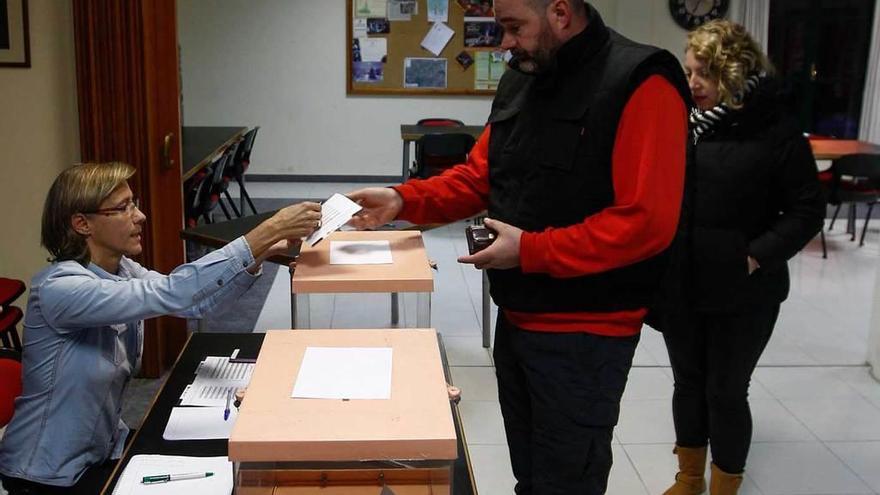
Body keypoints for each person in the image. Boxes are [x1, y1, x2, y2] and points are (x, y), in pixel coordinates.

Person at [348, 1, 691, 492]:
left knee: (565, 482)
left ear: (560, 12)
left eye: (513, 28)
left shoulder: (640, 81)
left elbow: (646, 223)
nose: (504, 42)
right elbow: (480, 178)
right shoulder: (527, 76)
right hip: (519, 318)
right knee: (531, 478)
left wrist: (531, 250)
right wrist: (403, 199)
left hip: (586, 335)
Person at [0, 162, 322, 494]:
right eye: (123, 208)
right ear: (82, 223)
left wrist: (261, 253)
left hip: (101, 451)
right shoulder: (60, 289)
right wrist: (267, 230)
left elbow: (191, 302)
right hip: (45, 476)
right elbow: (173, 291)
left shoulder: (121, 269)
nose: (139, 216)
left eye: (134, 203)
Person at [659, 20, 824, 495]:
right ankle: (689, 478)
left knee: (725, 392)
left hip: (745, 289)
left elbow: (807, 209)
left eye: (705, 73)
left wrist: (752, 257)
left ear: (734, 72)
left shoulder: (776, 128)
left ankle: (724, 487)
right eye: (689, 72)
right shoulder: (682, 125)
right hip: (683, 284)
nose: (692, 84)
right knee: (688, 385)